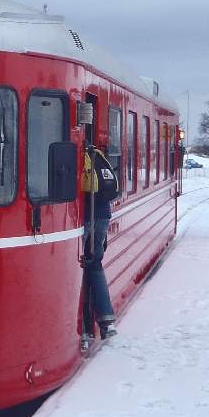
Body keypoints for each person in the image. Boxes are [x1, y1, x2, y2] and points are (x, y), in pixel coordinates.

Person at [82, 143, 119, 339]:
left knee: (77, 266)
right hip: (103, 214)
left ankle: (81, 325)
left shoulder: (76, 155)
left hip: (85, 216)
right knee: (95, 264)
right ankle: (106, 321)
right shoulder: (97, 155)